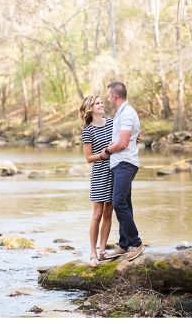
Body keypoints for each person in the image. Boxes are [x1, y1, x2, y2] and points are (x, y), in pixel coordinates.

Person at [101, 81, 144, 261]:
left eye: (108, 95)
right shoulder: (121, 113)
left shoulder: (127, 113)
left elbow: (123, 142)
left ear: (114, 96)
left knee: (118, 202)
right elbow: (126, 136)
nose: (107, 98)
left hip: (125, 163)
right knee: (125, 202)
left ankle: (136, 243)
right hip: (119, 164)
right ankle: (125, 244)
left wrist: (107, 151)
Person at [79, 95, 114, 267]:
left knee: (108, 213)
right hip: (99, 174)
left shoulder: (113, 123)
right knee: (97, 214)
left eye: (102, 102)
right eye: (97, 103)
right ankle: (92, 253)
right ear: (90, 108)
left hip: (115, 172)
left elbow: (125, 138)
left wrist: (135, 139)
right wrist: (102, 155)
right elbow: (88, 157)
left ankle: (102, 251)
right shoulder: (88, 130)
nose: (102, 105)